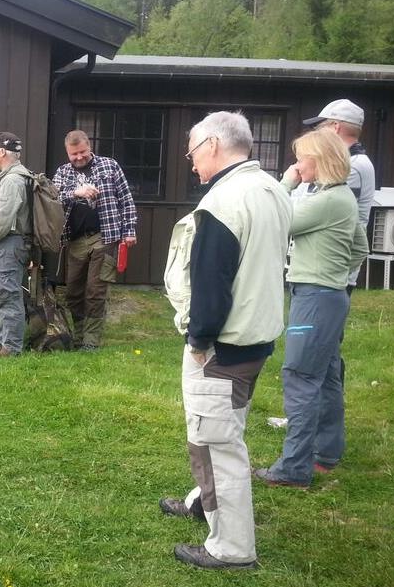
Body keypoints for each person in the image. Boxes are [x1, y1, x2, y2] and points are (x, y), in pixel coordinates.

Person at [160, 111, 292, 570]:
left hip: (223, 345)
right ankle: (203, 502)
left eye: (193, 150)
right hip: (257, 339)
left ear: (213, 145)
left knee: (216, 442)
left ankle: (232, 548)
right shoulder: (272, 189)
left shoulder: (223, 202)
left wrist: (199, 340)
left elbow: (211, 284)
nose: (190, 161)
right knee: (220, 427)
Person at [254, 129, 369, 488]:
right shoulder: (341, 198)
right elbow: (360, 247)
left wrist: (284, 185)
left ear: (319, 160)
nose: (296, 164)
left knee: (301, 378)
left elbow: (277, 218)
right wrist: (335, 272)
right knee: (328, 375)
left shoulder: (327, 200)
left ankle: (293, 469)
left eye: (301, 158)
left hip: (315, 296)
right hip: (331, 295)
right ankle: (327, 451)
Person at [51, 130, 137, 351]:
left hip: (105, 237)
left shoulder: (110, 166)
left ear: (89, 147)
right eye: (74, 154)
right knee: (73, 292)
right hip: (76, 240)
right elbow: (52, 199)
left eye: (82, 152)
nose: (79, 157)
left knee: (95, 292)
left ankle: (91, 342)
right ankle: (79, 336)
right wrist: (76, 192)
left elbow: (126, 200)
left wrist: (129, 230)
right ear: (67, 153)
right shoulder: (62, 172)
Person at [301, 98, 375, 292]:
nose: (316, 134)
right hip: (327, 269)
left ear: (335, 127)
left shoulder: (352, 165)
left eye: (319, 127)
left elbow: (315, 206)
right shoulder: (350, 162)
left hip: (329, 271)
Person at [0, 132, 32, 357]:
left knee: (8, 295)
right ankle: (0, 342)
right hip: (15, 243)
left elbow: (2, 219)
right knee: (4, 293)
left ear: (2, 152)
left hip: (8, 243)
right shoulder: (21, 176)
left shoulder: (11, 180)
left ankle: (10, 347)